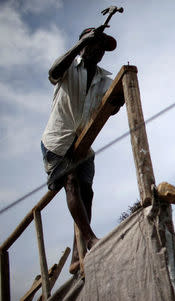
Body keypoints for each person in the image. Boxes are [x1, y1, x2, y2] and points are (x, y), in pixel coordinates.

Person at [40, 26, 117, 274]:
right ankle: (91, 238)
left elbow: (113, 107)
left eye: (102, 47)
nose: (98, 49)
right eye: (93, 43)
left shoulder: (104, 79)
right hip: (58, 141)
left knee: (87, 193)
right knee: (71, 181)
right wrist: (80, 43)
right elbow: (52, 72)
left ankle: (78, 254)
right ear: (82, 46)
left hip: (83, 143)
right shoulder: (68, 68)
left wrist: (121, 94)